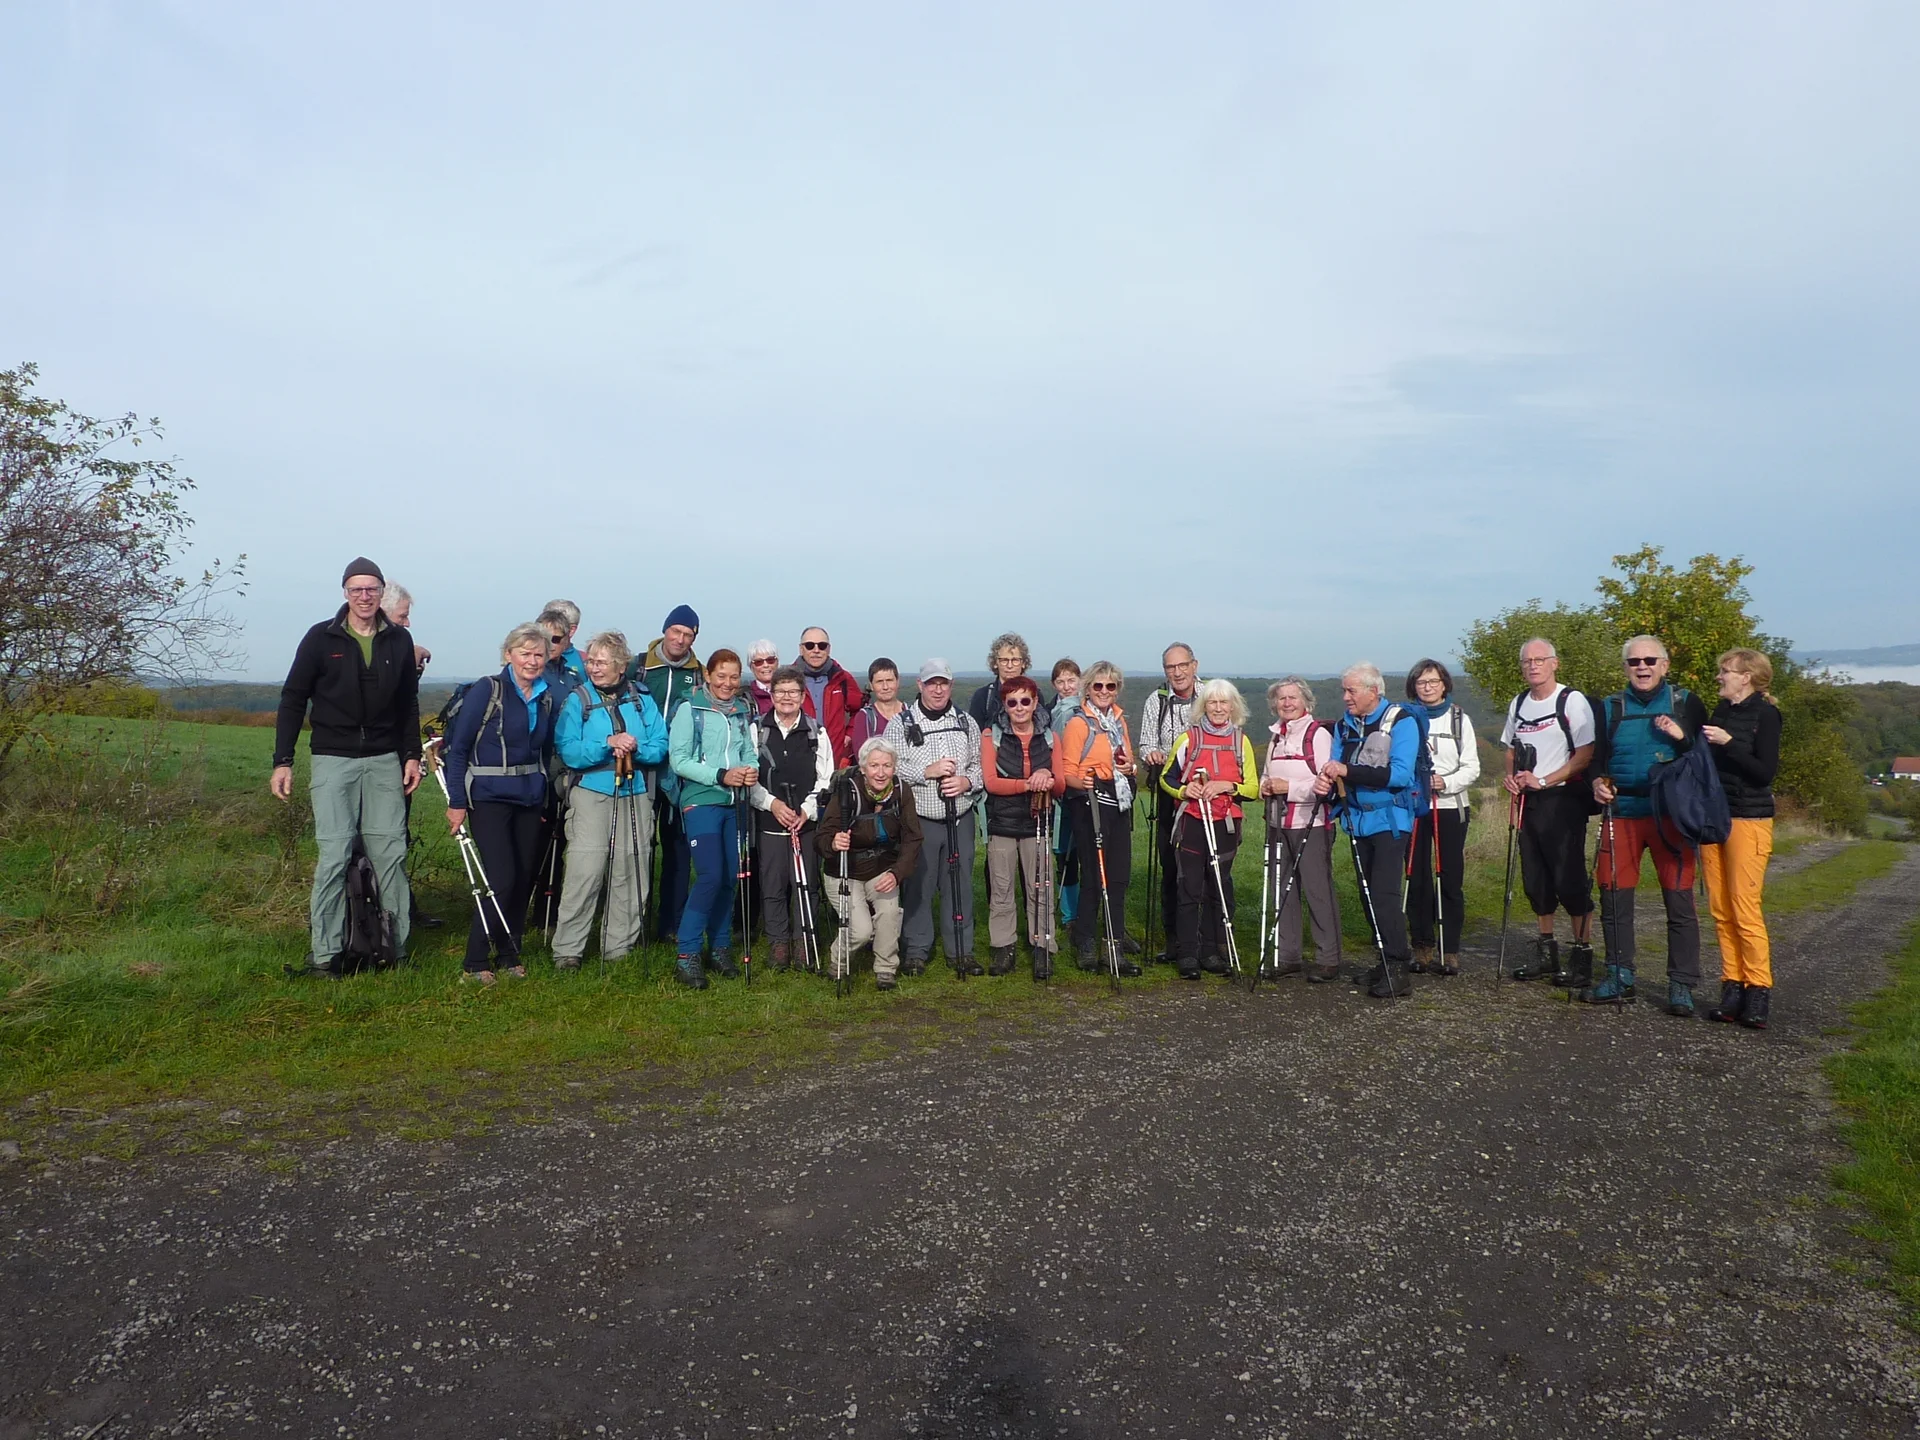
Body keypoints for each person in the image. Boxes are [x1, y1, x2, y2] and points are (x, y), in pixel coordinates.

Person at [271, 559, 421, 977]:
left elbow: (408, 704)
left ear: (380, 592)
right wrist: (282, 760)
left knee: (390, 853)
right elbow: (293, 699)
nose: (364, 596)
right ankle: (326, 955)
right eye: (356, 589)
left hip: (383, 761)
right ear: (344, 593)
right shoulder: (321, 638)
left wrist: (411, 755)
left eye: (371, 589)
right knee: (335, 855)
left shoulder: (397, 643)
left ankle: (393, 949)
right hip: (332, 759)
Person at [1588, 636, 1711, 1013]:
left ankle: (1681, 984)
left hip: (1671, 816)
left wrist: (1682, 737)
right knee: (1613, 898)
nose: (1642, 667)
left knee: (1678, 900)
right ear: (1625, 667)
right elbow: (1597, 758)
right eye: (1634, 661)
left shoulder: (1686, 703)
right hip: (1622, 813)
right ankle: (1619, 974)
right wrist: (1595, 782)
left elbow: (1708, 758)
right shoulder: (1609, 707)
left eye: (1650, 660)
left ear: (1665, 665)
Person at [441, 622, 558, 984]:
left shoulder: (546, 696)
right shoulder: (487, 689)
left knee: (523, 877)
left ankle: (509, 954)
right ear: (508, 654)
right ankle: (475, 962)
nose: (532, 660)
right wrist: (457, 802)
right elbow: (458, 749)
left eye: (539, 654)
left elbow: (545, 751)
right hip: (488, 798)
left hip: (529, 797)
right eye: (525, 653)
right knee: (501, 878)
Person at [551, 631, 668, 971]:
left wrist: (635, 746)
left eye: (601, 662)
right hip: (591, 792)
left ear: (620, 666)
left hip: (636, 791)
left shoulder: (641, 698)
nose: (594, 668)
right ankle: (568, 950)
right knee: (585, 871)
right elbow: (569, 749)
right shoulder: (579, 700)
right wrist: (607, 742)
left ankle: (618, 947)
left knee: (631, 870)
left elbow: (660, 744)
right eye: (590, 661)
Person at [1315, 663, 1421, 999]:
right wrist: (1326, 780)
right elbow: (1335, 767)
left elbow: (1401, 775)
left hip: (1390, 820)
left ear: (1373, 690)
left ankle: (1398, 965)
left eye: (1351, 690)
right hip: (1358, 820)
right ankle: (1384, 959)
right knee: (1367, 894)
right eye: (1344, 690)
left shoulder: (1402, 722)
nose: (1345, 697)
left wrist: (1347, 769)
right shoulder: (1345, 727)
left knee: (1384, 894)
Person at [1500, 638, 1597, 985]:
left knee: (1568, 877)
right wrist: (1511, 777)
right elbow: (1511, 748)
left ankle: (1582, 956)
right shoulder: (1519, 702)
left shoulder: (1571, 701)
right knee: (1535, 879)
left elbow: (1585, 754)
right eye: (1527, 661)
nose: (1533, 666)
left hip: (1563, 799)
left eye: (1540, 660)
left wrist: (1544, 779)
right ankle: (1546, 952)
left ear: (1555, 663)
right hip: (1529, 800)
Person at [1701, 648, 1784, 1030]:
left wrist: (1727, 743)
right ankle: (1732, 985)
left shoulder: (1766, 715)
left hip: (1749, 820)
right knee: (1720, 907)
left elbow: (1764, 772)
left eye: (1725, 670)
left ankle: (1758, 990)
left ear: (1746, 676)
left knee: (1744, 907)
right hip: (1715, 818)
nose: (1719, 676)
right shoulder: (1722, 712)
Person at [666, 648, 757, 988]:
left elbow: (749, 752)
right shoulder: (691, 710)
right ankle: (687, 953)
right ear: (708, 676)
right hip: (701, 800)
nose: (728, 683)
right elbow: (679, 760)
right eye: (721, 676)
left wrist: (750, 771)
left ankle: (720, 948)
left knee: (731, 877)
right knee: (709, 875)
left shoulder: (740, 713)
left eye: (734, 677)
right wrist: (720, 775)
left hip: (735, 803)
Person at [886, 660, 984, 975]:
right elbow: (887, 768)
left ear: (951, 685)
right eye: (932, 683)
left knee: (960, 885)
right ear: (920, 685)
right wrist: (926, 772)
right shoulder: (900, 724)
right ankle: (916, 950)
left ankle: (961, 951)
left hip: (961, 817)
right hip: (920, 819)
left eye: (943, 683)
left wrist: (967, 782)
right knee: (919, 885)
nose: (938, 689)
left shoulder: (966, 722)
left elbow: (980, 766)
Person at [1160, 679, 1260, 979]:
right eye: (1212, 702)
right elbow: (1167, 778)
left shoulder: (1241, 741)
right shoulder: (1188, 738)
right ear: (1203, 705)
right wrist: (1184, 791)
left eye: (1223, 702)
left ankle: (1213, 951)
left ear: (1233, 706)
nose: (1218, 708)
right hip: (1192, 821)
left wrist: (1228, 786)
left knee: (1219, 885)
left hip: (1226, 823)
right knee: (1189, 886)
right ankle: (1188, 953)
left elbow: (1253, 789)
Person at [818, 739, 923, 990]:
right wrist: (834, 842)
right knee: (861, 930)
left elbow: (913, 837)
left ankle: (886, 969)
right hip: (846, 871)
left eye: (887, 765)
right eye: (874, 765)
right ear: (863, 768)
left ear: (894, 767)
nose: (881, 772)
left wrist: (897, 873)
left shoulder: (901, 790)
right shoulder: (847, 791)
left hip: (882, 869)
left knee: (889, 913)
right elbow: (821, 837)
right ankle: (837, 961)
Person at [979, 675, 1066, 978]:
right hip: (1001, 822)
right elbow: (991, 782)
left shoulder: (1051, 738)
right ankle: (1004, 947)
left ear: (1035, 702)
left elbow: (1061, 783)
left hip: (1037, 822)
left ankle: (1043, 946)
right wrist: (1028, 783)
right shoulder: (992, 736)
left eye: (1025, 701)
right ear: (1004, 705)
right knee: (1001, 889)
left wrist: (1048, 777)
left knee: (1040, 887)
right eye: (1012, 702)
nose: (1019, 707)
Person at [1060, 661, 1142, 976]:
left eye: (1110, 686)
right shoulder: (1078, 724)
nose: (1105, 692)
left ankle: (1114, 945)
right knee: (1095, 876)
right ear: (1088, 689)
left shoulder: (1119, 721)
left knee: (1119, 876)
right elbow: (1067, 772)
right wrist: (1085, 782)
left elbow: (1129, 761)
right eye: (1098, 686)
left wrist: (1129, 769)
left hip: (1119, 802)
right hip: (1089, 803)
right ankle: (1085, 943)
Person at [750, 666, 835, 970]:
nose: (787, 697)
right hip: (770, 822)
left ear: (802, 696)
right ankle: (778, 943)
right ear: (771, 695)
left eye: (793, 692)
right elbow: (751, 777)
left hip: (805, 822)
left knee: (806, 883)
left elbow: (826, 779)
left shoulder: (816, 732)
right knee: (773, 884)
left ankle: (804, 941)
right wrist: (771, 804)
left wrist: (807, 810)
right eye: (781, 691)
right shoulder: (756, 730)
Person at [1258, 677, 1342, 983]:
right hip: (1277, 823)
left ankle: (1328, 959)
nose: (1287, 703)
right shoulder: (1275, 736)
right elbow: (1268, 773)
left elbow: (1325, 781)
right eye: (1281, 699)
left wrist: (1287, 787)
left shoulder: (1317, 735)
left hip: (1313, 823)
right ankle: (1287, 956)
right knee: (1283, 891)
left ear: (1306, 701)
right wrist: (1266, 785)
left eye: (1293, 698)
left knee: (1317, 891)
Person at [1404, 660, 1480, 977]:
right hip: (1416, 807)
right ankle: (1422, 948)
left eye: (1433, 681)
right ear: (1414, 687)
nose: (1428, 687)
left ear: (1445, 684)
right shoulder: (1404, 718)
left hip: (1451, 807)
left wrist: (1445, 783)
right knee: (1417, 878)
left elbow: (1472, 767)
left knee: (1449, 879)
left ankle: (1450, 951)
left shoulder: (1460, 719)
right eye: (1421, 682)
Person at [637, 604, 706, 944]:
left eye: (688, 634)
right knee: (639, 847)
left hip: (679, 774)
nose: (680, 639)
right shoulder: (639, 667)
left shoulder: (701, 674)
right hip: (640, 770)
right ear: (665, 630)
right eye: (676, 631)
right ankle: (635, 923)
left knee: (678, 851)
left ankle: (671, 924)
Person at [381, 581, 441, 931]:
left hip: (396, 757)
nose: (406, 623)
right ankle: (385, 913)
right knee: (384, 837)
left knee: (397, 835)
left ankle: (401, 908)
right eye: (402, 616)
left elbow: (405, 703)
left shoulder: (398, 646)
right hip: (376, 758)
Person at [1138, 643, 1201, 963]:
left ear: (1194, 665)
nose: (1177, 673)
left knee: (1204, 865)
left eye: (1182, 666)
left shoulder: (1211, 696)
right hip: (1168, 790)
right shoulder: (1157, 700)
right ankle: (1174, 939)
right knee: (1170, 865)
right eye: (1170, 667)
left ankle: (1207, 939)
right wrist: (1151, 753)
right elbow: (1146, 742)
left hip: (1206, 793)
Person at [1044, 658, 1083, 926]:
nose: (1067, 686)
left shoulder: (1090, 710)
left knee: (1087, 854)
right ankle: (1071, 915)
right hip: (1060, 794)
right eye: (1061, 681)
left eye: (1071, 680)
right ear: (1054, 684)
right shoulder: (1046, 714)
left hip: (1085, 790)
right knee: (1064, 854)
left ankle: (1088, 913)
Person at [794, 627, 866, 768]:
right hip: (798, 758)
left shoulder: (842, 678)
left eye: (822, 645)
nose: (816, 650)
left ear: (829, 649)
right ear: (801, 649)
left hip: (834, 758)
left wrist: (850, 733)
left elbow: (860, 708)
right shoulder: (790, 679)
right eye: (809, 646)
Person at [969, 632, 1031, 736]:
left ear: (1023, 663)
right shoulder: (983, 697)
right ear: (995, 663)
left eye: (1015, 660)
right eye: (1004, 660)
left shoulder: (1034, 695)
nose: (1009, 666)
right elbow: (975, 738)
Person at [849, 657, 906, 757]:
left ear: (897, 682)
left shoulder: (911, 713)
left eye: (889, 680)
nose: (885, 687)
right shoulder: (865, 718)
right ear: (871, 685)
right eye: (879, 682)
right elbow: (862, 758)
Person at [540, 601, 588, 690]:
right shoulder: (529, 664)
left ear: (571, 630)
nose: (549, 644)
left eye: (556, 639)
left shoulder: (586, 661)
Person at [746, 639, 780, 717]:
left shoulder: (790, 692)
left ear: (777, 662)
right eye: (759, 662)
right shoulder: (747, 699)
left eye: (770, 660)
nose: (765, 665)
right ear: (751, 667)